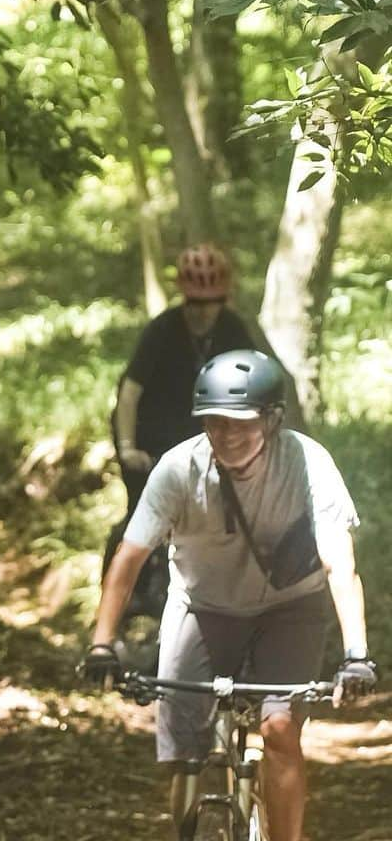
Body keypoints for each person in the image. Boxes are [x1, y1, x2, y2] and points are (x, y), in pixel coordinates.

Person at [85, 350, 377, 841]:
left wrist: (355, 653)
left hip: (290, 608)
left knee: (279, 729)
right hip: (203, 607)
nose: (227, 435)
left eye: (241, 423)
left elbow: (340, 564)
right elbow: (130, 556)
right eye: (214, 421)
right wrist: (102, 642)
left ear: (270, 420)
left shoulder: (307, 462)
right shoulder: (178, 469)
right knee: (186, 753)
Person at [107, 246, 257, 613]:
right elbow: (128, 396)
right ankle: (123, 603)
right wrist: (127, 449)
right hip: (151, 440)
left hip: (208, 440)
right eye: (195, 304)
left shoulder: (233, 328)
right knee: (140, 519)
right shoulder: (162, 330)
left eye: (212, 303)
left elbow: (256, 387)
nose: (203, 313)